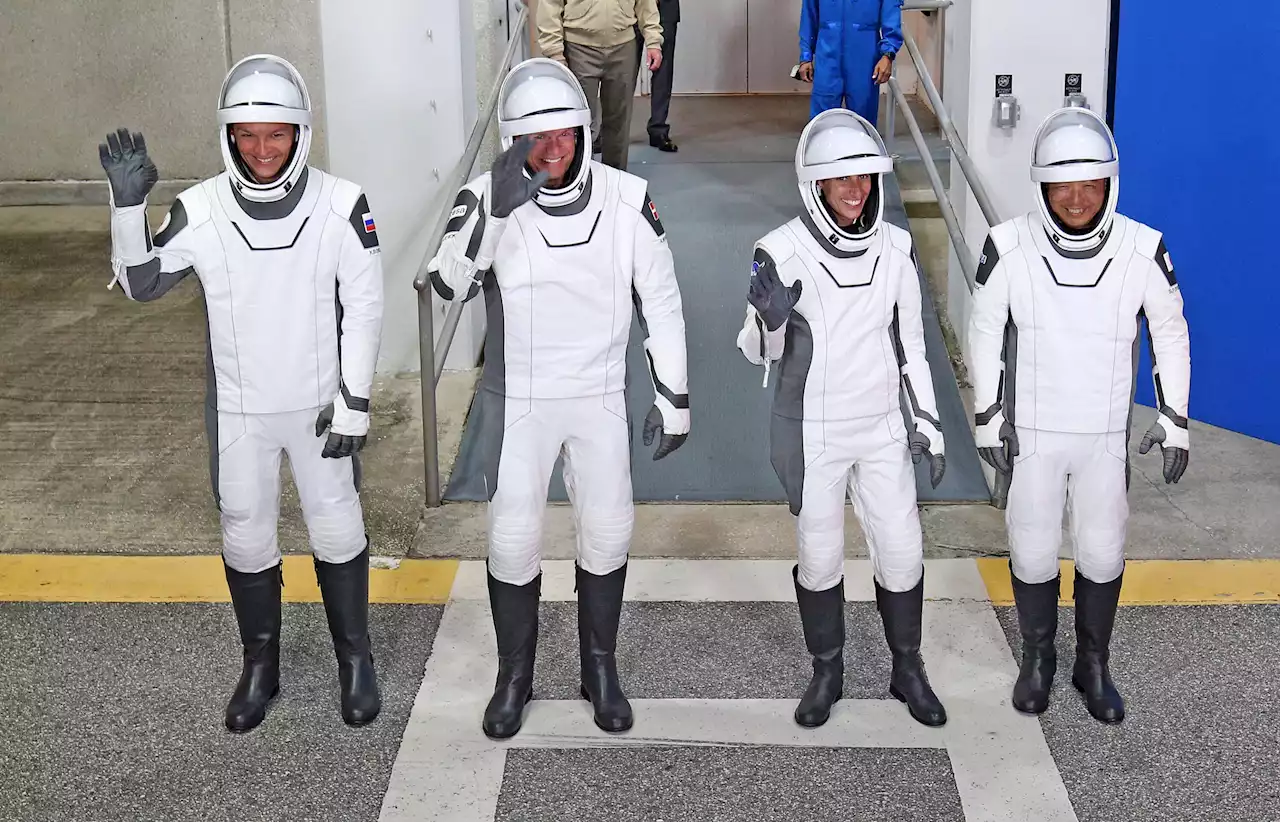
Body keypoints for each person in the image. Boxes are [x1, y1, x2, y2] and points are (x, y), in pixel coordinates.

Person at [97, 54, 385, 733]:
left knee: (338, 527)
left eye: (275, 133)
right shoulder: (199, 208)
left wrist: (355, 399)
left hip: (321, 409)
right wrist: (128, 207)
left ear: (300, 132)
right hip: (240, 411)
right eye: (247, 134)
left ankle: (356, 661)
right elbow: (141, 284)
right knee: (246, 535)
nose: (261, 149)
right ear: (228, 135)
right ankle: (260, 667)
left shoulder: (344, 203)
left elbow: (365, 307)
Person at [426, 57, 689, 740]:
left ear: (583, 128)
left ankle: (598, 669)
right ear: (514, 141)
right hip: (521, 403)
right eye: (535, 139)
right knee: (512, 542)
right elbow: (444, 287)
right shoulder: (485, 197)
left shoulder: (629, 197)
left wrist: (675, 393)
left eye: (565, 134)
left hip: (598, 394)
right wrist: (492, 220)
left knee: (607, 533)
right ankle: (515, 676)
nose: (552, 150)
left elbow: (661, 298)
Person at [966, 106, 1191, 724]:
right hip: (1033, 434)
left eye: (1089, 182)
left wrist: (1176, 417)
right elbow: (984, 330)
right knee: (1033, 550)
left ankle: (1092, 663)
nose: (1075, 197)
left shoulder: (1142, 247)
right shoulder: (1008, 244)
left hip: (1101, 437)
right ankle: (1036, 659)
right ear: (1040, 185)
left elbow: (1170, 332)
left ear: (1109, 183)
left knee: (1101, 551)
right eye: (1061, 184)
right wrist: (987, 415)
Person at [736, 108, 947, 729]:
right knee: (821, 556)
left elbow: (912, 344)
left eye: (864, 179)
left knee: (903, 551)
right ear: (816, 184)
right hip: (814, 431)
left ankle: (907, 669)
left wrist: (928, 425)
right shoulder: (777, 250)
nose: (856, 191)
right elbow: (755, 353)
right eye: (842, 179)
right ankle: (827, 671)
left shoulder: (898, 247)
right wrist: (768, 321)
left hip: (881, 427)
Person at [537, 0, 664, 170]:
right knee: (577, 122)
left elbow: (646, 4)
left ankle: (615, 178)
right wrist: (555, 53)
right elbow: (550, 5)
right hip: (577, 47)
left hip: (624, 46)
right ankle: (578, 179)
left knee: (619, 121)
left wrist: (653, 41)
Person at [797, 0, 903, 124]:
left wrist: (887, 55)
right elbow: (809, 16)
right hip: (827, 57)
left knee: (863, 118)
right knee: (822, 119)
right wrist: (805, 56)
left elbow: (891, 16)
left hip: (864, 58)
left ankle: (863, 142)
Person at [641, 0, 679, 152]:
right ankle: (612, 131)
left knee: (663, 71)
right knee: (623, 73)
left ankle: (659, 130)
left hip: (665, 7)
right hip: (628, 7)